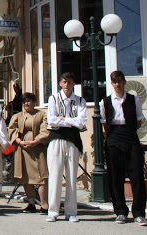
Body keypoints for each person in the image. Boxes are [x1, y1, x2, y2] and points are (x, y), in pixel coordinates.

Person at [101, 71, 147, 226]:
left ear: (124, 82)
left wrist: (128, 130)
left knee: (137, 177)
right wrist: (112, 137)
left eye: (120, 81)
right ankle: (120, 211)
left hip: (130, 138)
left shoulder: (134, 100)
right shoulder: (105, 102)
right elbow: (105, 124)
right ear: (112, 83)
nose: (117, 85)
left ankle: (139, 213)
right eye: (114, 82)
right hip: (113, 139)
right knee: (115, 178)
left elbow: (139, 121)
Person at [46, 72, 87, 223]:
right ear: (60, 84)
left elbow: (82, 122)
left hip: (73, 140)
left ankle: (71, 212)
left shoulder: (80, 101)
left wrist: (64, 119)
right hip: (56, 139)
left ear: (73, 83)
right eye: (64, 82)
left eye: (70, 82)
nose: (67, 85)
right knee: (55, 176)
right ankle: (53, 211)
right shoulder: (53, 99)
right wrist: (71, 121)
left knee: (71, 177)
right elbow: (52, 120)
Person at [8, 92, 49, 213]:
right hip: (23, 150)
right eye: (24, 101)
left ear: (34, 102)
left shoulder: (42, 115)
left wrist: (36, 141)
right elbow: (12, 129)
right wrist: (19, 141)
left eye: (29, 101)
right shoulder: (18, 116)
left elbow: (45, 130)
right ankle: (31, 203)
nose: (26, 103)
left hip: (38, 149)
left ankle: (44, 204)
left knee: (42, 176)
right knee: (26, 177)